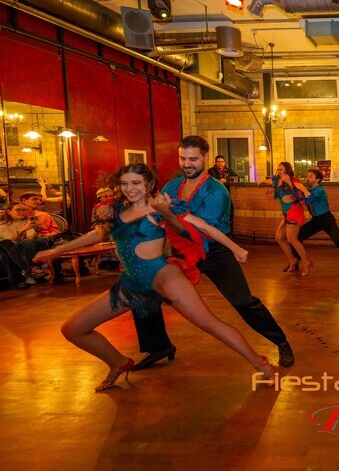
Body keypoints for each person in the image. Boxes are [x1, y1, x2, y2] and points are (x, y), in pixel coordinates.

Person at [33, 163, 278, 392]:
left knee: (209, 323)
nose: (130, 188)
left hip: (164, 276)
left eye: (136, 183)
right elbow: (96, 235)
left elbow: (203, 226)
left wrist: (235, 248)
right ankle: (118, 362)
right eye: (125, 183)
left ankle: (261, 363)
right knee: (73, 329)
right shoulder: (118, 211)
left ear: (148, 184)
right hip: (132, 283)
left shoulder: (160, 208)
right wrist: (55, 251)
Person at [129, 136, 295, 371]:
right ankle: (158, 347)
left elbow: (195, 233)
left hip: (213, 250)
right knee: (143, 291)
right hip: (182, 253)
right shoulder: (171, 187)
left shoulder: (217, 192)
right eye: (183, 158)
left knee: (243, 301)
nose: (187, 164)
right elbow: (157, 219)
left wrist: (166, 214)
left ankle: (281, 341)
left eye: (193, 159)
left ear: (205, 158)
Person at [292, 168, 339, 272]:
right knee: (296, 237)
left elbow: (307, 200)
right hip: (316, 220)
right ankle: (296, 262)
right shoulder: (308, 191)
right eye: (307, 176)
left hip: (327, 220)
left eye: (311, 177)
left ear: (317, 180)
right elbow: (299, 198)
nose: (307, 178)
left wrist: (299, 190)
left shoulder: (319, 190)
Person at [264, 161, 312, 275]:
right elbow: (278, 194)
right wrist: (268, 191)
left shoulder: (292, 180)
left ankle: (306, 262)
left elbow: (300, 188)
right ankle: (292, 260)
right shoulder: (278, 181)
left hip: (293, 212)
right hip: (286, 213)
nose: (279, 171)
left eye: (281, 169)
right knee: (279, 237)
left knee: (292, 240)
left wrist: (304, 190)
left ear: (287, 170)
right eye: (278, 169)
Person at [0, 202, 37, 288]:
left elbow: (30, 238)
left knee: (5, 255)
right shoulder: (2, 224)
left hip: (8, 249)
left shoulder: (25, 221)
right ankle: (28, 269)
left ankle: (17, 282)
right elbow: (11, 240)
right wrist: (22, 230)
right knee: (7, 242)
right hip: (5, 244)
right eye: (18, 210)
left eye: (24, 210)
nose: (22, 212)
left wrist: (36, 230)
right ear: (9, 211)